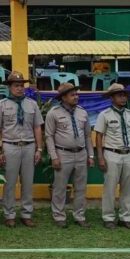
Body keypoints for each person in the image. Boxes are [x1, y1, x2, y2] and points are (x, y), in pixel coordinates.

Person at [0, 72, 42, 228]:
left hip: (29, 146)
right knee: (10, 183)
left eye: (21, 85)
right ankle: (9, 214)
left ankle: (26, 214)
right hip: (10, 146)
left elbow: (37, 127)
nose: (19, 88)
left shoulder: (32, 104)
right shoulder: (2, 105)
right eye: (16, 86)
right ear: (10, 87)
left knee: (28, 183)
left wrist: (39, 149)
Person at [44, 81, 93, 228]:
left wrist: (91, 156)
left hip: (81, 153)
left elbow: (88, 136)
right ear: (63, 97)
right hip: (63, 154)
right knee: (60, 188)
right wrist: (54, 157)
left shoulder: (82, 112)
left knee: (81, 188)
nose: (76, 97)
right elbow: (49, 136)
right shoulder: (53, 113)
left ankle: (79, 216)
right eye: (72, 95)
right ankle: (59, 216)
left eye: (76, 94)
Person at [94, 83, 130, 229]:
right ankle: (108, 217)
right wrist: (100, 157)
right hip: (112, 153)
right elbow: (99, 136)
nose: (123, 98)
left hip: (129, 154)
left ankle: (125, 217)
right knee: (110, 188)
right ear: (112, 98)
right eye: (120, 95)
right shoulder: (104, 114)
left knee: (128, 188)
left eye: (124, 95)